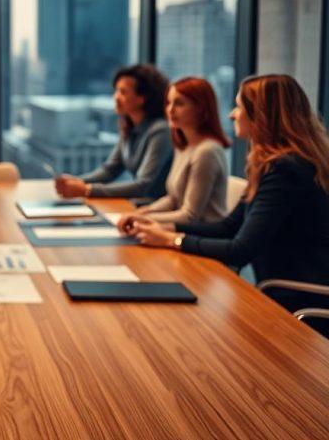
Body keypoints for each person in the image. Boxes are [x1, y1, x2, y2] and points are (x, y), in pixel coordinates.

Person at [130, 74, 329, 322]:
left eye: (239, 107)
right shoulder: (271, 165)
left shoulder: (285, 170)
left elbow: (240, 250)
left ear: (261, 115)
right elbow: (228, 226)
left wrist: (173, 239)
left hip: (296, 300)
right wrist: (165, 227)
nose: (232, 114)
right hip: (279, 293)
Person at [117, 77, 230, 231]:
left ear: (201, 108)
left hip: (203, 238)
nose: (170, 110)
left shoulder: (207, 151)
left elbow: (190, 216)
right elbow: (173, 199)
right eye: (169, 103)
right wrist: (143, 212)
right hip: (184, 233)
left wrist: (143, 218)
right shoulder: (184, 145)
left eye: (179, 103)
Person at [55, 64, 173, 199]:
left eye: (123, 92)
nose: (116, 97)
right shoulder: (129, 127)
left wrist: (87, 190)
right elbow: (110, 170)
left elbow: (143, 185)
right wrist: (77, 182)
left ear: (142, 98)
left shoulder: (160, 131)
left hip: (154, 209)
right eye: (116, 91)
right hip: (139, 205)